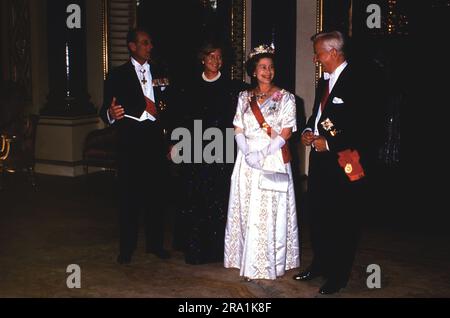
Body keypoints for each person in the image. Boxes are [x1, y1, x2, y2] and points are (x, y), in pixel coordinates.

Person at [292, 31, 384, 294]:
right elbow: (318, 115)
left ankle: (338, 275)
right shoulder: (325, 81)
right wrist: (308, 132)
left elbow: (369, 127)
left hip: (346, 160)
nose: (315, 57)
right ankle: (320, 265)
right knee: (319, 215)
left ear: (333, 52)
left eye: (318, 53)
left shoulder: (361, 79)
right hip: (321, 161)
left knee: (343, 219)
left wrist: (331, 143)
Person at [224, 44, 300, 280]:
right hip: (247, 160)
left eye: (271, 67)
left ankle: (270, 263)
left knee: (269, 210)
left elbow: (286, 131)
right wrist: (247, 151)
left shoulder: (286, 97)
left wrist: (262, 153)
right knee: (247, 209)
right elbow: (238, 127)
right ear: (254, 71)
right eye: (263, 67)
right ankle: (245, 260)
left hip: (272, 156)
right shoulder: (244, 97)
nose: (268, 71)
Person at [171, 42, 247, 264]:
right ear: (202, 59)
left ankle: (217, 250)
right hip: (194, 148)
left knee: (219, 199)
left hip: (222, 150)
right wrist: (176, 143)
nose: (216, 61)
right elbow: (180, 117)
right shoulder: (188, 86)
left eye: (219, 57)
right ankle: (195, 248)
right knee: (195, 198)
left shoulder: (234, 88)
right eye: (211, 56)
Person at [100, 28, 171, 264]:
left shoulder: (161, 70)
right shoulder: (117, 75)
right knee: (129, 197)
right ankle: (126, 249)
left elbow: (170, 104)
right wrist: (111, 114)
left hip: (154, 138)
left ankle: (155, 245)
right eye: (144, 43)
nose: (150, 47)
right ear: (132, 46)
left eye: (150, 43)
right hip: (130, 139)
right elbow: (104, 110)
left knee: (157, 195)